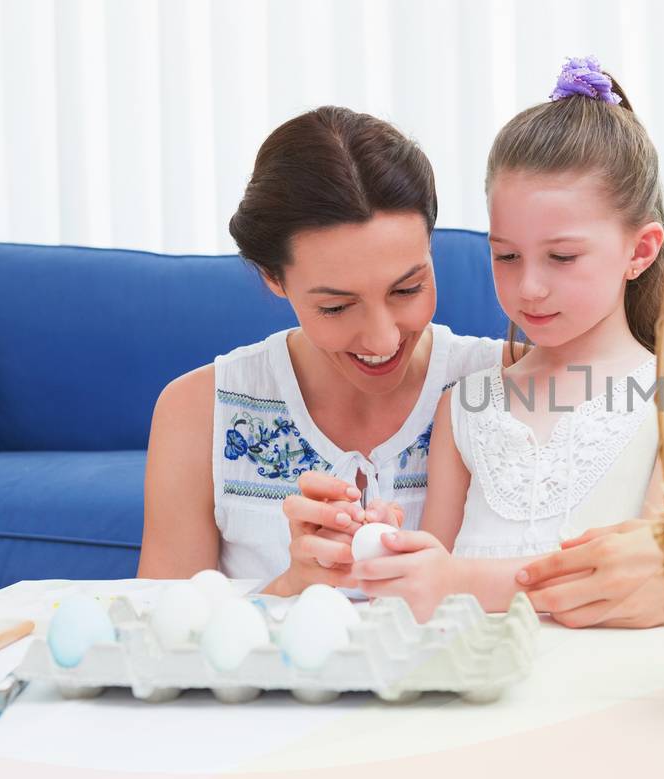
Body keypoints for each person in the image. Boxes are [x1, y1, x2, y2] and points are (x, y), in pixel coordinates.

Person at [347, 57, 664, 627]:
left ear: (640, 251)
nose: (529, 287)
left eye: (562, 257)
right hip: (472, 676)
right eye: (506, 255)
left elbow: (652, 579)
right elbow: (428, 586)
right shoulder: (467, 403)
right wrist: (389, 551)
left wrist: (455, 580)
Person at [138, 106, 510, 596]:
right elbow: (161, 634)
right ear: (274, 278)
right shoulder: (198, 410)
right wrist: (292, 587)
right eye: (336, 307)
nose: (383, 340)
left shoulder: (513, 382)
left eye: (407, 289)